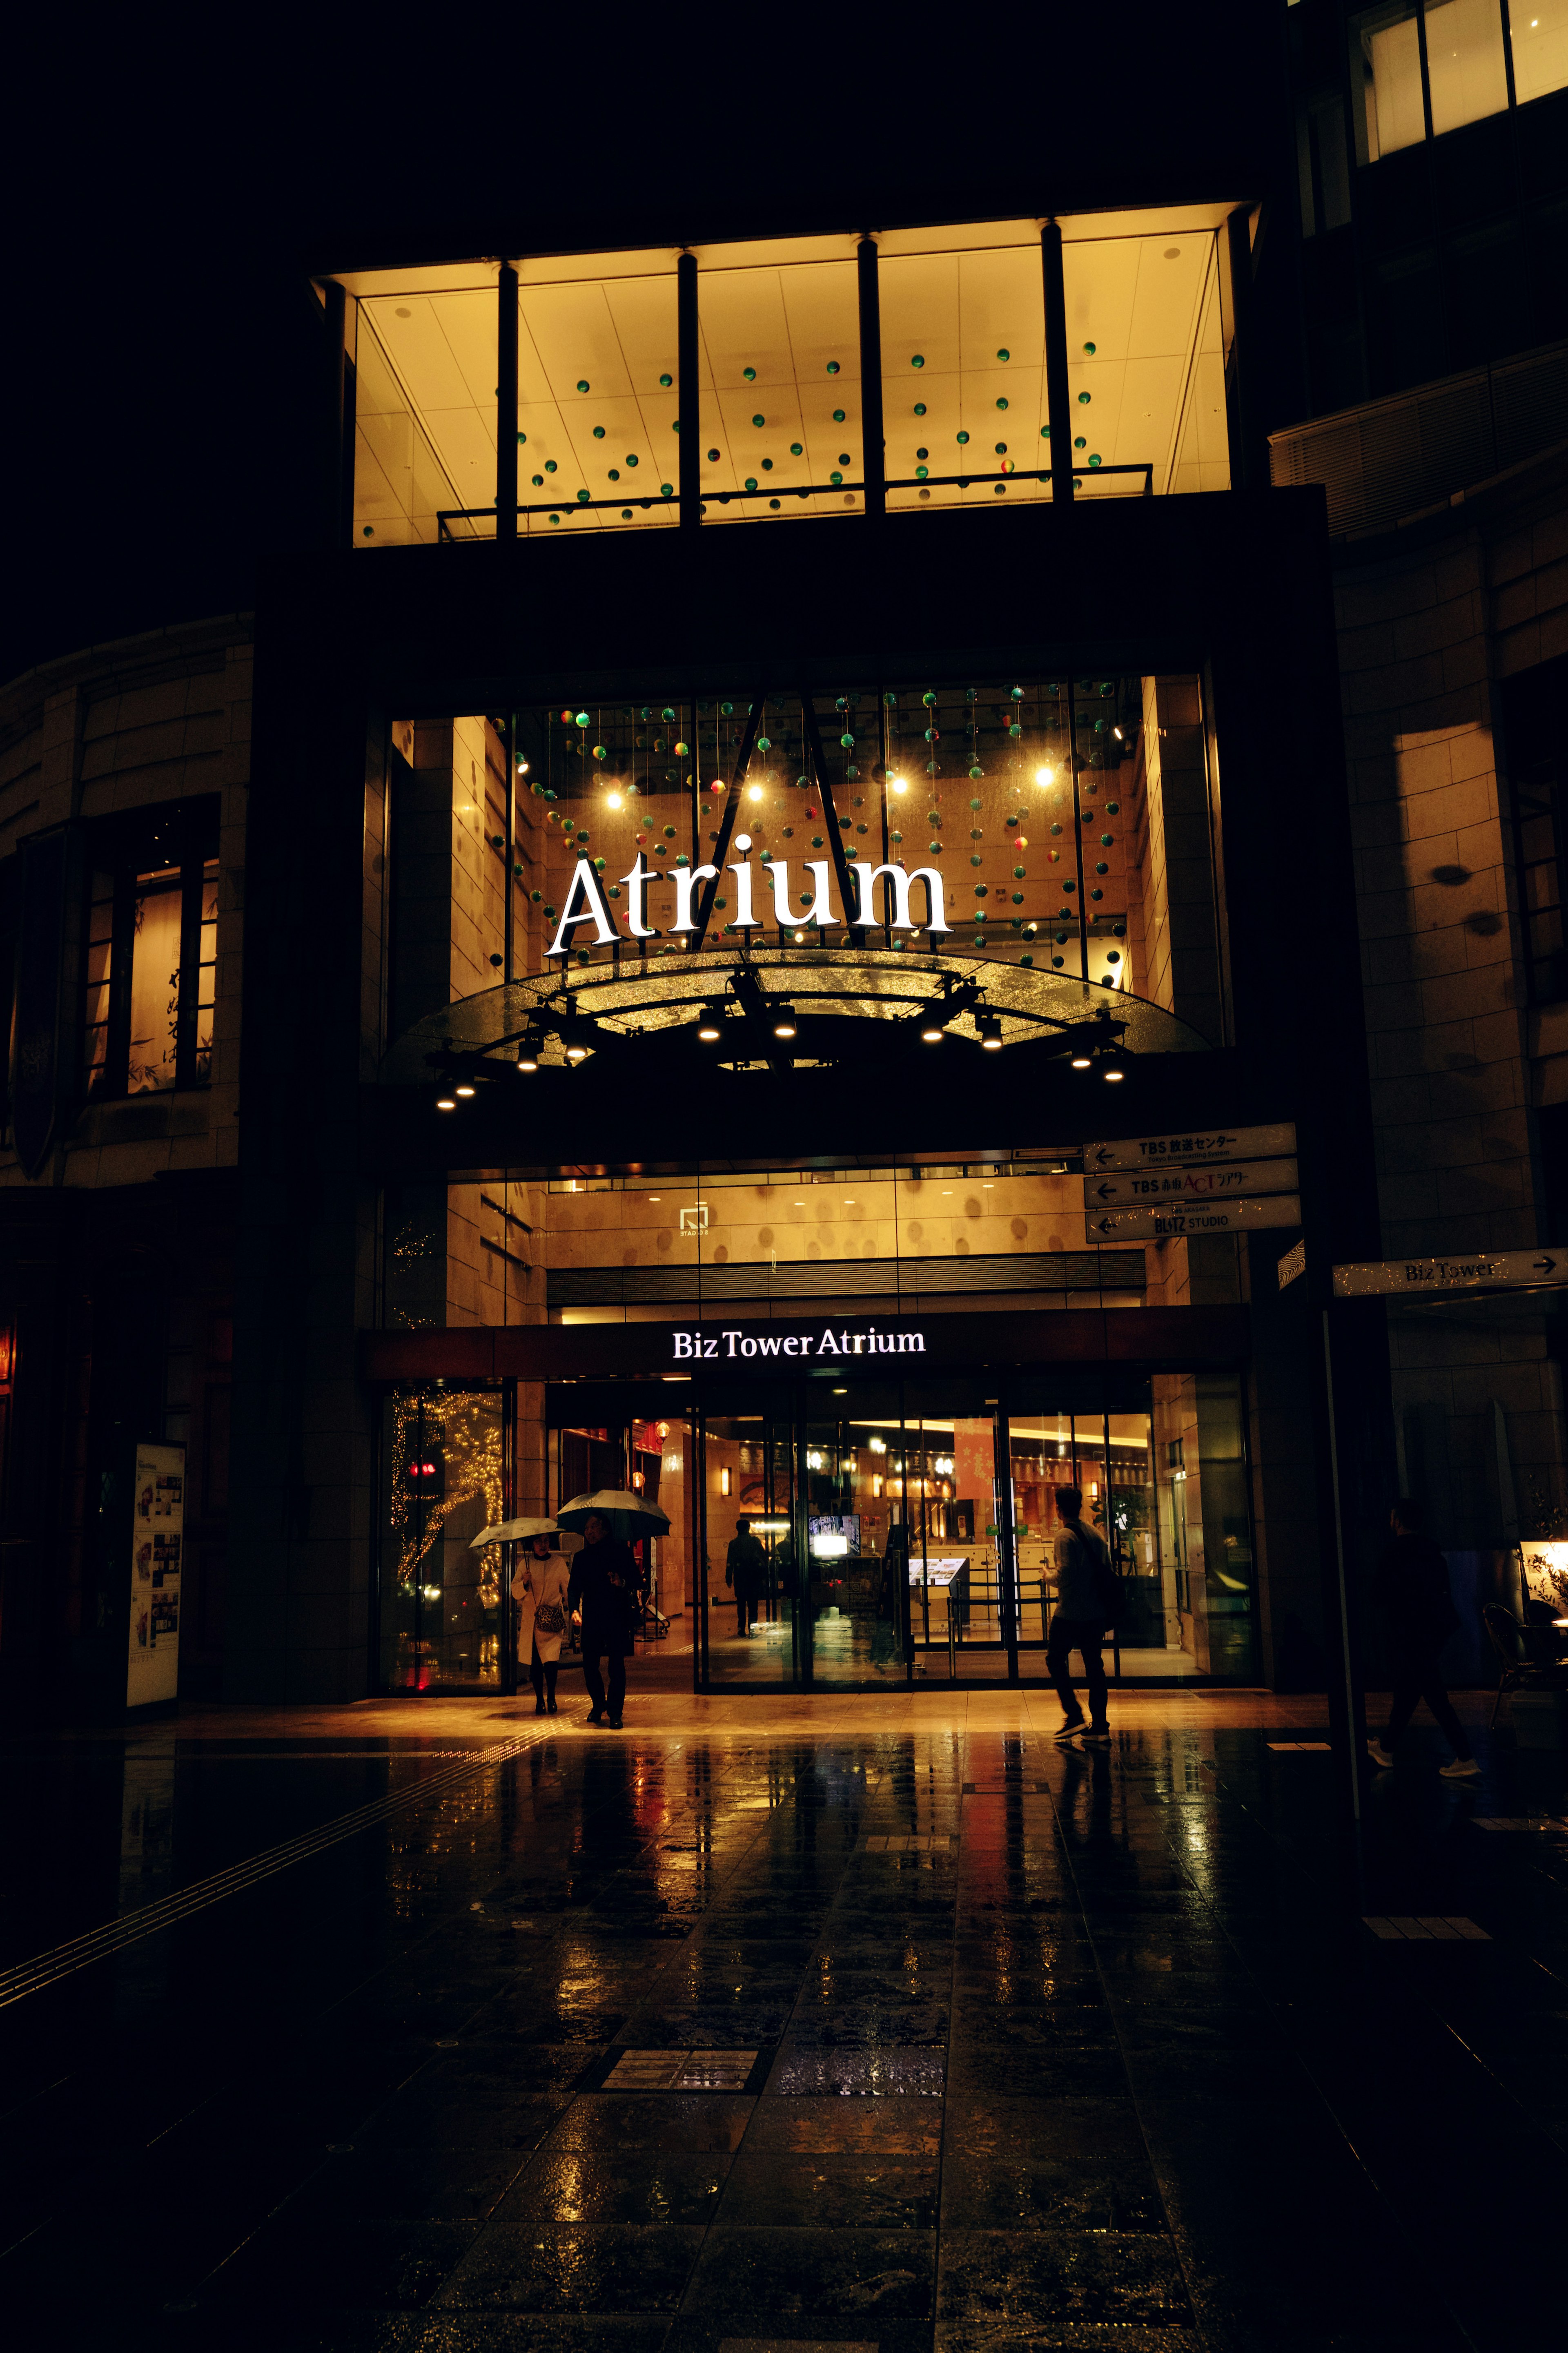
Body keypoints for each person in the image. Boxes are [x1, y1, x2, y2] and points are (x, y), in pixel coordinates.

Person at [1368, 1499, 1477, 1776]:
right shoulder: (1433, 1553)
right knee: (1412, 1689)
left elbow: (1379, 1594)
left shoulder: (1394, 1554)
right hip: (1435, 1630)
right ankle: (1387, 1748)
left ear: (1398, 1522)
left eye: (1393, 1518)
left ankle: (1465, 1756)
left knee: (1430, 1693)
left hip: (1409, 1630)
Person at [568, 1510, 644, 1728]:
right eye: (587, 1528)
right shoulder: (582, 1558)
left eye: (593, 1527)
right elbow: (574, 1588)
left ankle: (615, 1711)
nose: (589, 1532)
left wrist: (622, 1583)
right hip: (592, 1616)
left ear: (605, 1529)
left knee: (616, 1666)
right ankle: (598, 1704)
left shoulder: (622, 1552)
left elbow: (637, 1582)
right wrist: (574, 1609)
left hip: (617, 1615)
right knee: (589, 1664)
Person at [1049, 1483, 1112, 1744]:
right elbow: (1107, 1570)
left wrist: (1047, 1577)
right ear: (1081, 1505)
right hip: (1095, 1611)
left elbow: (1065, 1575)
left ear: (1059, 1508)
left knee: (1055, 1660)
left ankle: (1074, 1714)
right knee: (1094, 1666)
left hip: (1071, 1611)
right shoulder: (1095, 1534)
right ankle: (1100, 1725)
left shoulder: (1065, 1536)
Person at [511, 1530, 570, 1715]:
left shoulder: (558, 1563)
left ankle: (551, 1696)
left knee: (552, 1662)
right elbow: (515, 1591)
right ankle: (539, 1700)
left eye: (546, 1541)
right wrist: (525, 1583)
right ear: (532, 1544)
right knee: (536, 1664)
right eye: (539, 1541)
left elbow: (567, 1588)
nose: (543, 1545)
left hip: (551, 1621)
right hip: (532, 1621)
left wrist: (575, 1609)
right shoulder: (525, 1565)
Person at [726, 1515, 767, 1636]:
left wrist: (728, 1576)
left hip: (740, 1577)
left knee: (741, 1603)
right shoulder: (755, 1542)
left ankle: (741, 1627)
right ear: (748, 1529)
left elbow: (730, 1561)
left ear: (737, 1529)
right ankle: (752, 1627)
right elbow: (763, 1558)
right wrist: (765, 1575)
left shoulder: (733, 1544)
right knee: (753, 1604)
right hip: (754, 1577)